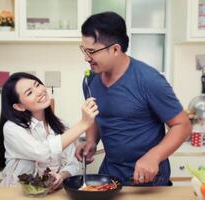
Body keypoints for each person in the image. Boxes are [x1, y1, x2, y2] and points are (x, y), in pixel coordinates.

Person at [75, 12, 192, 186]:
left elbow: (183, 126)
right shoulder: (90, 80)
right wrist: (91, 140)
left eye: (92, 51)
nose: (86, 57)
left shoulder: (149, 80)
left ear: (115, 49)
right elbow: (96, 116)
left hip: (148, 181)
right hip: (110, 176)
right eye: (84, 50)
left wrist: (154, 156)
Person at [0, 72, 98, 190]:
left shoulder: (62, 126)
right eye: (29, 92)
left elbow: (73, 164)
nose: (39, 91)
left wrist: (60, 176)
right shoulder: (12, 128)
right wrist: (83, 124)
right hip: (17, 194)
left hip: (50, 194)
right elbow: (42, 152)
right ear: (19, 106)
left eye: (37, 84)